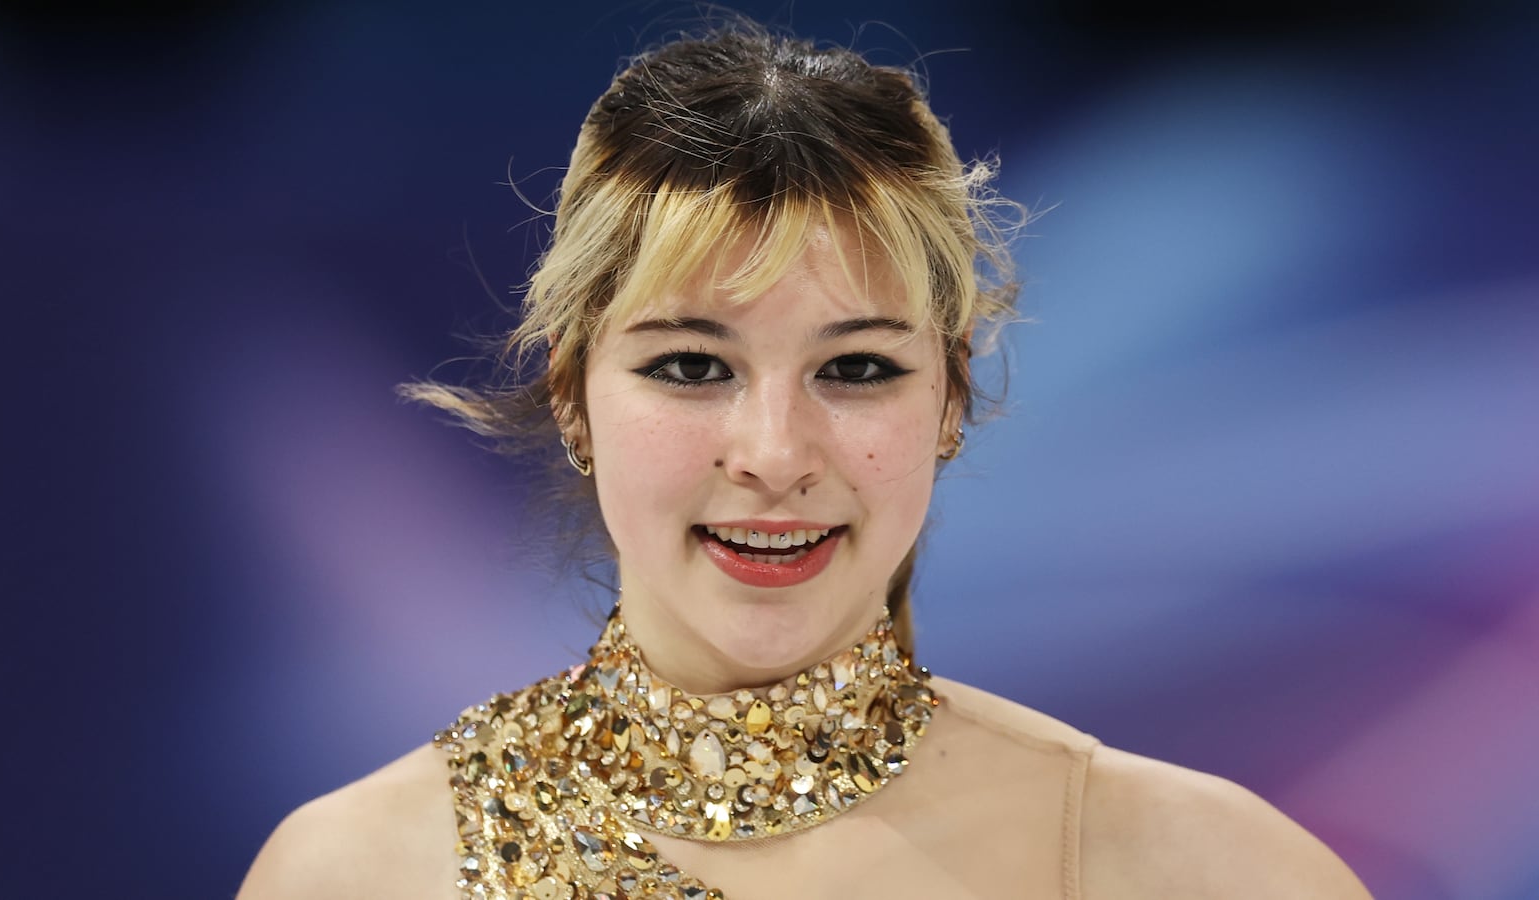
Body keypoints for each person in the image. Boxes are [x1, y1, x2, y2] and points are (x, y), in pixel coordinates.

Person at [238, 25, 1373, 900]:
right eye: (691, 367)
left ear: (950, 402)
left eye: (858, 371)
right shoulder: (367, 870)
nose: (774, 455)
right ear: (571, 397)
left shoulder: (1197, 867)